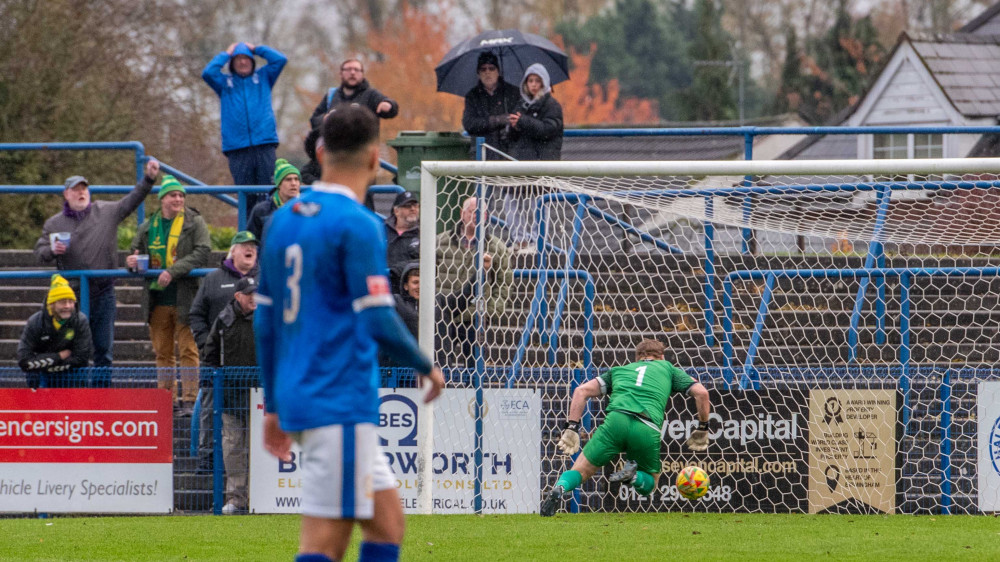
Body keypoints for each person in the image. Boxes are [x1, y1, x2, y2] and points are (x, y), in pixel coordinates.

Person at [256, 104, 444, 562]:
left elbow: (265, 321)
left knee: (386, 523)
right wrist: (426, 365)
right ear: (375, 156)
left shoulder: (283, 221)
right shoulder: (359, 224)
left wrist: (274, 405)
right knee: (325, 540)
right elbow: (378, 318)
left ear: (320, 153)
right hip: (335, 395)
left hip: (310, 393)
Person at [540, 339, 712, 517]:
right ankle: (634, 477)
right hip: (646, 426)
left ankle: (559, 487)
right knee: (651, 483)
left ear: (637, 357)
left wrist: (572, 428)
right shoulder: (668, 368)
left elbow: (581, 391)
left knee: (581, 470)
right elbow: (702, 393)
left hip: (616, 421)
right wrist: (702, 427)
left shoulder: (618, 371)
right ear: (661, 356)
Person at [33, 158, 160, 379]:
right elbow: (39, 253)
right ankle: (74, 396)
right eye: (75, 190)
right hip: (71, 297)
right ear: (66, 195)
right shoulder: (54, 223)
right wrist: (53, 251)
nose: (81, 193)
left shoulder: (106, 211)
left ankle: (101, 397)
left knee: (103, 349)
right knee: (71, 349)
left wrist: (148, 179)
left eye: (84, 189)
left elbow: (132, 200)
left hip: (103, 293)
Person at [127, 175, 211, 414]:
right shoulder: (147, 227)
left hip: (187, 298)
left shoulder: (194, 222)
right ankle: (167, 400)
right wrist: (131, 262)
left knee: (188, 351)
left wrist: (173, 271)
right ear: (162, 199)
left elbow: (203, 252)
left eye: (181, 195)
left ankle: (190, 400)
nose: (178, 199)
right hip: (158, 300)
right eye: (173, 195)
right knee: (162, 353)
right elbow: (133, 252)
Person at [188, 230, 260, 472]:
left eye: (253, 246)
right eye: (244, 246)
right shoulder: (213, 278)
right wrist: (206, 343)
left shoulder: (267, 279)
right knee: (209, 405)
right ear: (234, 250)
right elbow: (196, 314)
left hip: (254, 364)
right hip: (217, 361)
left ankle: (258, 469)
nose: (250, 250)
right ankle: (207, 457)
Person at [201, 41, 288, 210]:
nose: (242, 62)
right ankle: (248, 234)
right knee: (245, 198)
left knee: (269, 194)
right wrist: (226, 54)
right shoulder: (224, 84)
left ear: (252, 61)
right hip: (237, 149)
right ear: (232, 63)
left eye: (246, 58)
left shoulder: (264, 77)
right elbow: (208, 72)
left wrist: (256, 49)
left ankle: (267, 234)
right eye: (237, 59)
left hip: (265, 144)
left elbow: (280, 60)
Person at [201, 276, 259, 515]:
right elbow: (210, 355)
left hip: (261, 395)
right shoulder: (224, 321)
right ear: (238, 296)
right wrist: (211, 382)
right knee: (233, 447)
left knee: (258, 447)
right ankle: (236, 497)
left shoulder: (269, 318)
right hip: (231, 395)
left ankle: (262, 495)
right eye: (250, 294)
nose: (255, 297)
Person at [435, 196, 512, 367]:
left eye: (481, 213)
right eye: (472, 211)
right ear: (462, 214)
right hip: (443, 315)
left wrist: (490, 311)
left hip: (474, 318)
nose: (476, 216)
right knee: (440, 364)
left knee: (475, 369)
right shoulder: (439, 242)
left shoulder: (496, 247)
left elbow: (503, 284)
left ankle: (473, 393)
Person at [506, 63, 564, 252]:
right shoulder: (520, 104)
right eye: (530, 80)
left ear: (544, 83)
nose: (533, 85)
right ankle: (520, 239)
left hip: (542, 163)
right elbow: (512, 138)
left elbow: (548, 130)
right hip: (520, 162)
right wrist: (513, 127)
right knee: (511, 200)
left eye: (537, 81)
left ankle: (537, 241)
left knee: (538, 203)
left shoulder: (552, 105)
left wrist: (523, 121)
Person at [17, 274, 93, 389]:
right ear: (52, 304)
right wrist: (58, 356)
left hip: (73, 379)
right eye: (62, 302)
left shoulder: (80, 321)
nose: (67, 306)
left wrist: (42, 363)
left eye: (71, 302)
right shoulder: (35, 322)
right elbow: (24, 361)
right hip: (39, 382)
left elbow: (80, 358)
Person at [308, 59, 398, 131]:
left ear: (362, 74)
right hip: (335, 150)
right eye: (348, 69)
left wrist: (389, 105)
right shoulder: (331, 96)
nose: (352, 73)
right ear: (341, 73)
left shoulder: (371, 95)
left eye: (356, 70)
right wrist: (325, 119)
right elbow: (314, 121)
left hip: (363, 150)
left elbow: (391, 108)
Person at [462, 51, 521, 160]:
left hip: (509, 152)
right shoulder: (472, 96)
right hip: (482, 153)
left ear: (498, 71)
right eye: (483, 69)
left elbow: (520, 121)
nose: (487, 72)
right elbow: (469, 124)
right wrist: (496, 120)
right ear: (478, 73)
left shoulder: (513, 93)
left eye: (491, 68)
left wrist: (511, 126)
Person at [247, 159, 301, 241]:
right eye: (288, 179)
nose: (293, 183)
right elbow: (251, 242)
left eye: (296, 179)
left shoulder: (308, 209)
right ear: (278, 184)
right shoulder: (261, 211)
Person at [379, 263, 419, 369]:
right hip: (401, 365)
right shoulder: (397, 301)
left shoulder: (438, 303)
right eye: (415, 282)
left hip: (426, 363)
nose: (419, 286)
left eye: (423, 282)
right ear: (406, 286)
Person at [384, 191, 419, 294]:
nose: (413, 209)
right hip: (383, 286)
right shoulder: (381, 230)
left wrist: (395, 270)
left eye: (415, 206)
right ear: (396, 211)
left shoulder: (425, 234)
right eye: (407, 206)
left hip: (408, 294)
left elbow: (428, 261)